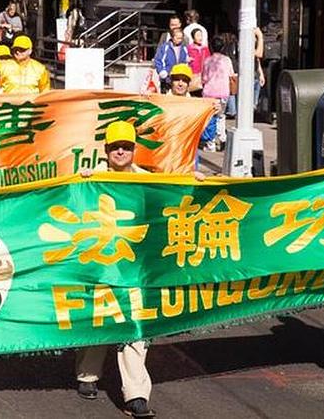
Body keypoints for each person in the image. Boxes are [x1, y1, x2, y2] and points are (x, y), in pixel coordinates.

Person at [74, 121, 208, 418]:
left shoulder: (147, 179)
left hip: (135, 267)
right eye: (115, 147)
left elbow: (170, 194)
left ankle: (136, 395)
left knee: (135, 326)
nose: (120, 151)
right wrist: (81, 180)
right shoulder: (91, 176)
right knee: (99, 322)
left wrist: (194, 182)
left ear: (134, 149)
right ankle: (87, 375)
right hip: (101, 264)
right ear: (106, 150)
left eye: (126, 147)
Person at [200, 37, 235, 151]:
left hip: (209, 93)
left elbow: (204, 78)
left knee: (210, 118)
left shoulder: (207, 60)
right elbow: (231, 75)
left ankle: (211, 143)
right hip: (223, 93)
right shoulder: (227, 60)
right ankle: (222, 139)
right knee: (221, 116)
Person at [153, 27, 189, 94]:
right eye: (177, 38)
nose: (179, 40)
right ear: (172, 37)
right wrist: (162, 71)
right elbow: (159, 60)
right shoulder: (165, 47)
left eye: (181, 38)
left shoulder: (183, 48)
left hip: (178, 78)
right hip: (167, 78)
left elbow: (185, 61)